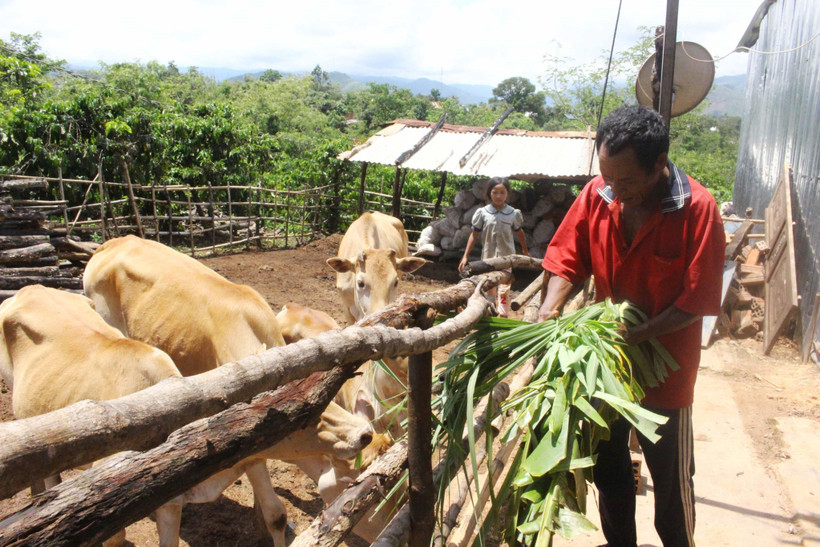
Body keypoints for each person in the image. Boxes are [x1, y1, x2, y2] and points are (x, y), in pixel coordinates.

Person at [537, 105, 725, 546]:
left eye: (627, 181)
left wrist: (637, 333)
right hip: (605, 369)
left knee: (672, 486)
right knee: (609, 472)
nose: (615, 191)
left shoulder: (697, 208)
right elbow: (567, 260)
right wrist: (548, 311)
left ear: (659, 165)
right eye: (607, 177)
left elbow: (695, 302)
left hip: (667, 374)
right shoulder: (597, 194)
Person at [459, 177, 529, 317]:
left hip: (507, 258)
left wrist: (525, 251)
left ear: (507, 194)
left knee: (504, 289)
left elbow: (519, 232)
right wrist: (465, 256)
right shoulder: (483, 212)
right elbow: (474, 234)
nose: (498, 196)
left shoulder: (513, 213)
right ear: (489, 193)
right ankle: (490, 313)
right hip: (488, 258)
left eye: (502, 192)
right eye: (495, 192)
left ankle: (503, 317)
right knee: (489, 287)